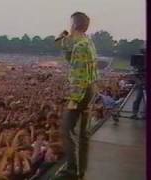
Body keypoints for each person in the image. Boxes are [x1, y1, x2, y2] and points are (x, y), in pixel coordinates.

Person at [53, 12, 98, 179]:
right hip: (90, 88)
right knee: (83, 134)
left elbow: (79, 75)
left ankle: (72, 169)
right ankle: (81, 170)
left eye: (70, 24)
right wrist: (62, 41)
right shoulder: (88, 42)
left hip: (82, 91)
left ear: (73, 25)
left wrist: (73, 99)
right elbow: (72, 59)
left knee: (66, 130)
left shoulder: (80, 46)